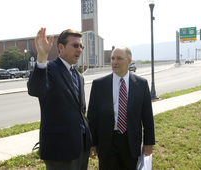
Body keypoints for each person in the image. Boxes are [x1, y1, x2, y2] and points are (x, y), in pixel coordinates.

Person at [27, 28, 92, 170]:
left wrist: (89, 140)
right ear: (61, 47)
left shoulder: (78, 76)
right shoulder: (48, 68)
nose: (80, 50)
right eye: (75, 45)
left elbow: (80, 111)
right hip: (59, 149)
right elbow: (35, 90)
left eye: (81, 46)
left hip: (81, 147)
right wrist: (42, 58)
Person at [87, 46, 155, 169]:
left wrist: (148, 142)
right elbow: (92, 117)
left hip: (131, 142)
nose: (114, 62)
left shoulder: (141, 84)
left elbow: (147, 116)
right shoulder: (99, 85)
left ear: (129, 61)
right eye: (112, 58)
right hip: (107, 142)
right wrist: (92, 143)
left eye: (119, 58)